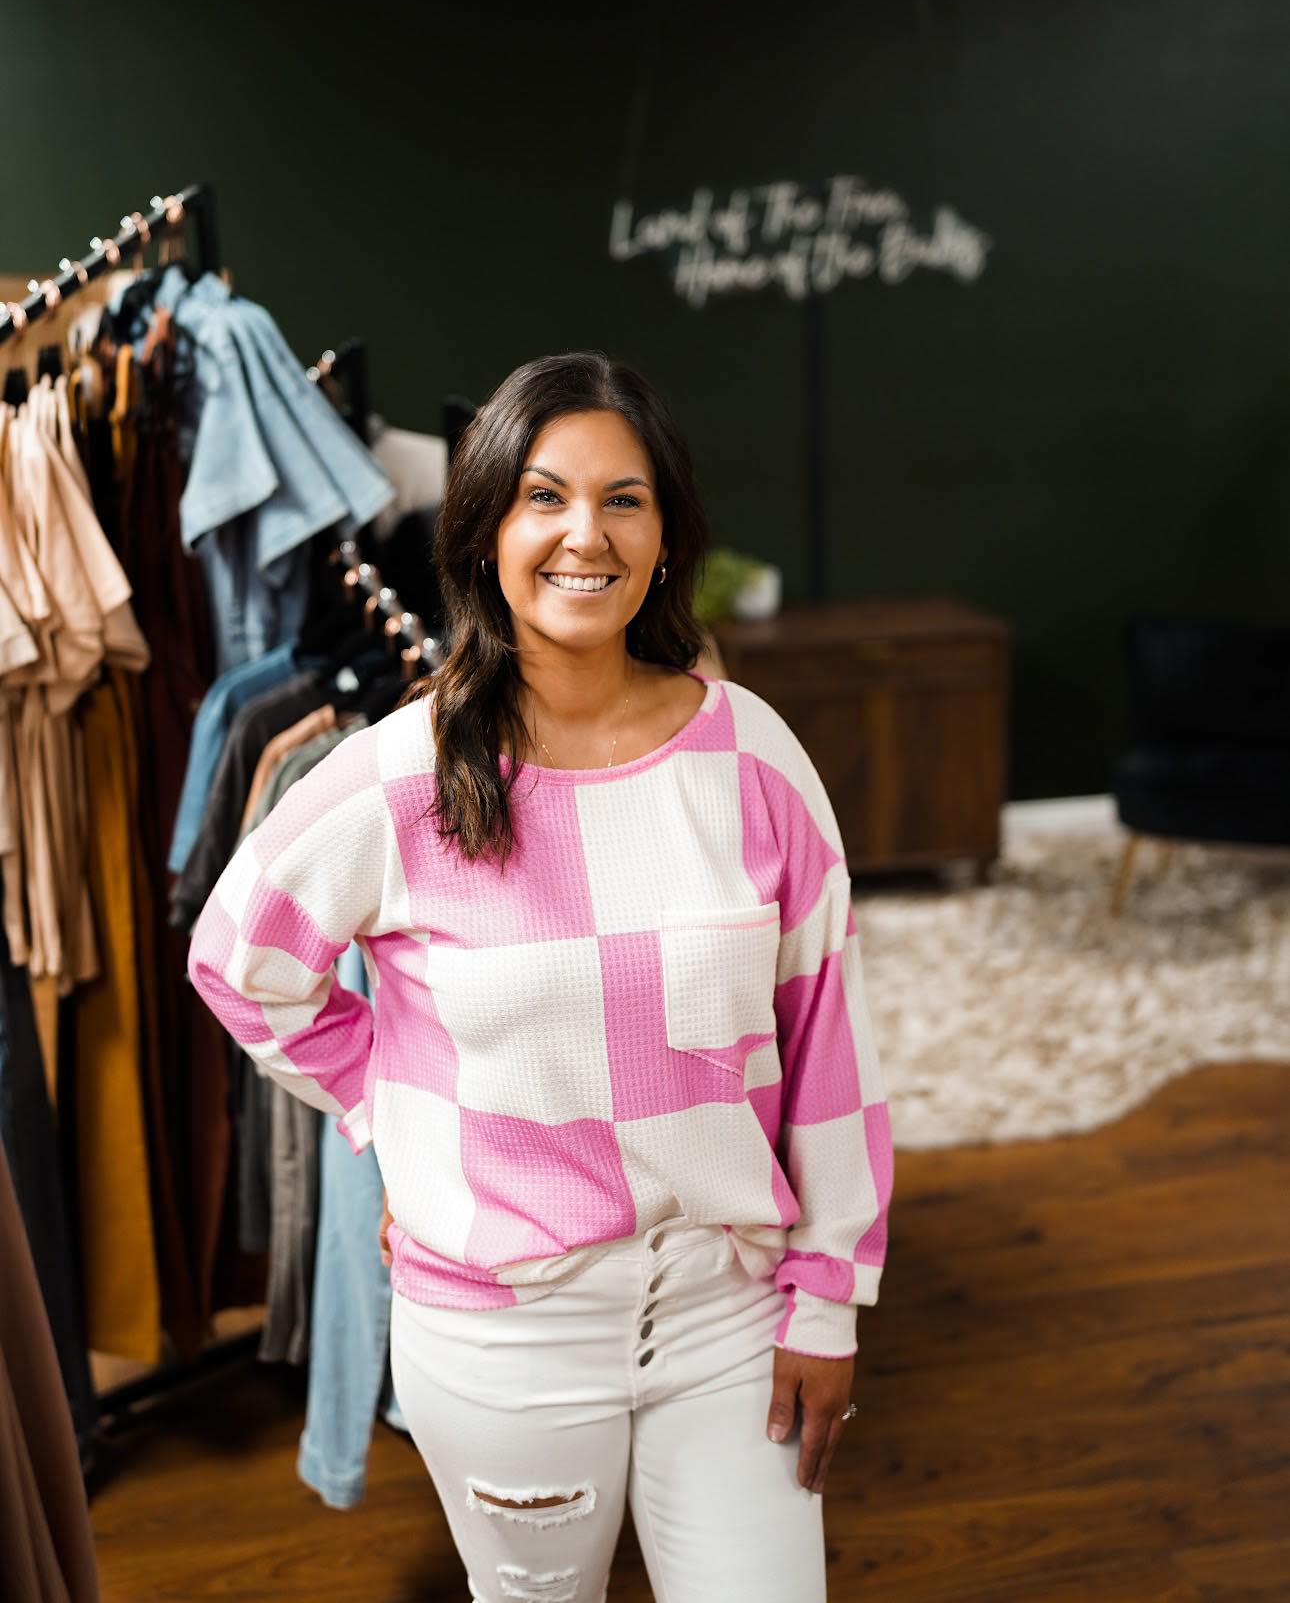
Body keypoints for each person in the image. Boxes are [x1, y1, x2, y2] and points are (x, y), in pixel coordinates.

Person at [188, 350, 893, 1602]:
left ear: (667, 534)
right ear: (485, 535)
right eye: (543, 495)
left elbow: (828, 1047)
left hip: (726, 1314)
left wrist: (828, 1300)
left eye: (624, 498)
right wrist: (388, 1111)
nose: (587, 534)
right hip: (506, 1339)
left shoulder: (754, 758)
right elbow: (240, 965)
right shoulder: (399, 777)